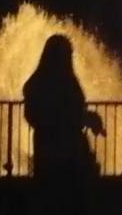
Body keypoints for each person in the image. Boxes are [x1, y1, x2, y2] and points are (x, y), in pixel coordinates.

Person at [22, 34, 105, 184]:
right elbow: (67, 112)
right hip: (62, 149)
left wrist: (86, 118)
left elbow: (33, 115)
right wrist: (83, 118)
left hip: (52, 148)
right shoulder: (62, 82)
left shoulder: (38, 83)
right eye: (66, 53)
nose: (69, 58)